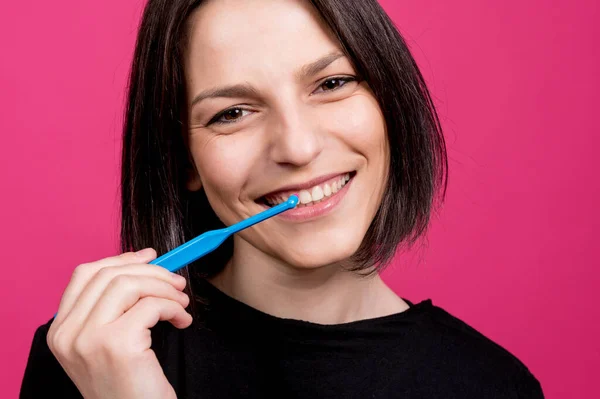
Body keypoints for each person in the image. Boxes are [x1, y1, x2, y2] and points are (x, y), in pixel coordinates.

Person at [20, 0, 544, 398]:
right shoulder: (90, 358)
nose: (298, 147)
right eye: (232, 113)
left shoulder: (492, 383)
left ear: (389, 101)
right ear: (184, 161)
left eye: (332, 83)